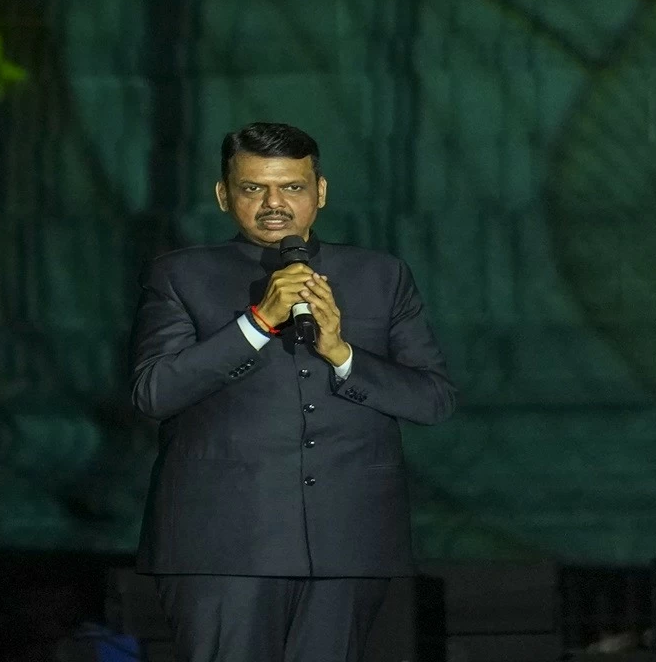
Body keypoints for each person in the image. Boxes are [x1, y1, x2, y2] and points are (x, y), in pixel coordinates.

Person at [129, 122, 456, 662]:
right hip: (222, 546)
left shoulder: (381, 275)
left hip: (349, 541)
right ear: (223, 194)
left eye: (293, 187)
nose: (273, 203)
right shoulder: (180, 275)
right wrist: (256, 324)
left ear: (320, 191)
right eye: (253, 188)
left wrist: (342, 354)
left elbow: (433, 399)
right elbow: (153, 394)